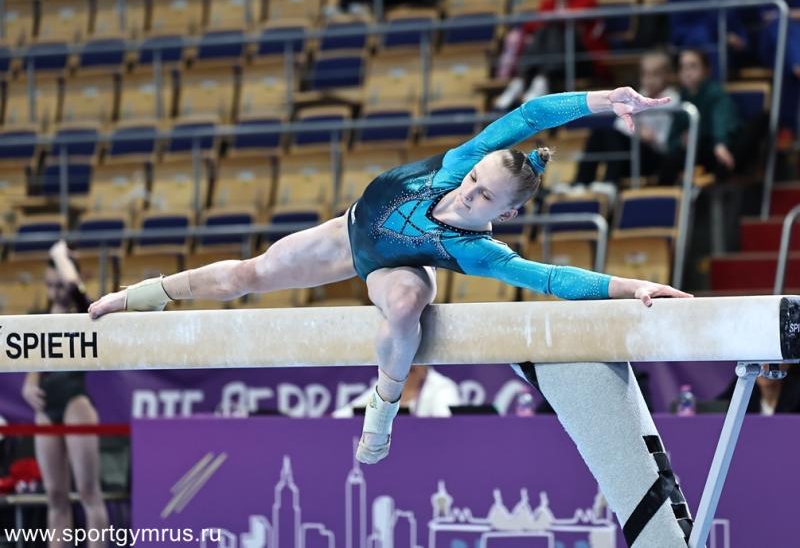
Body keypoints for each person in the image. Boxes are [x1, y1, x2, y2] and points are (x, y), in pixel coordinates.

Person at [89, 87, 689, 464]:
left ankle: (383, 406)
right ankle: (147, 295)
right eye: (472, 181)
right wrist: (604, 100)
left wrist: (632, 287)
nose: (466, 194)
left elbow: (554, 279)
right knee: (246, 274)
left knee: (405, 307)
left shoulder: (479, 251)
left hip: (400, 267)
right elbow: (531, 113)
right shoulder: (458, 163)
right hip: (350, 234)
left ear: (505, 215)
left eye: (483, 199)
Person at [21, 241, 108, 548]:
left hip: (75, 403)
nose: (55, 291)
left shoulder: (84, 311)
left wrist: (60, 255)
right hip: (47, 408)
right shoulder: (39, 316)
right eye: (49, 285)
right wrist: (29, 383)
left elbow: (73, 285)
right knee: (56, 497)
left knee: (88, 492)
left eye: (59, 285)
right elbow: (34, 359)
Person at [494, 0, 607, 110]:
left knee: (556, 29)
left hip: (580, 59)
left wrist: (554, 17)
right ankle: (526, 80)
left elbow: (570, 18)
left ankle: (536, 79)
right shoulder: (548, 2)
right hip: (555, 61)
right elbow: (531, 26)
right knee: (544, 31)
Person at [574, 50, 680, 189]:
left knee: (614, 137)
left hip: (656, 159)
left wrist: (640, 131)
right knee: (599, 133)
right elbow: (619, 124)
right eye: (645, 74)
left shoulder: (671, 100)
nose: (649, 80)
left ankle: (610, 183)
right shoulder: (638, 95)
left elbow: (658, 140)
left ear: (668, 76)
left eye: (655, 74)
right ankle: (581, 183)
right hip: (633, 152)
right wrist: (639, 130)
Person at [658, 48, 741, 184]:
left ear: (706, 70)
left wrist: (720, 143)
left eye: (693, 66)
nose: (687, 72)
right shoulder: (681, 98)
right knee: (668, 163)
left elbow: (720, 120)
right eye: (683, 68)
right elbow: (672, 140)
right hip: (694, 152)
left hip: (715, 149)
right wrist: (681, 141)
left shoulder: (715, 93)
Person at [760, 0, 800, 132]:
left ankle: (786, 130)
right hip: (777, 40)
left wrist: (790, 13)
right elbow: (767, 13)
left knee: (784, 62)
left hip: (785, 52)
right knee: (781, 26)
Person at [333, 365, 460, 417]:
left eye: (413, 367)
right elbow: (341, 416)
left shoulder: (442, 387)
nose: (410, 364)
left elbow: (447, 423)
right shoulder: (386, 385)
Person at [717, 364, 800, 414]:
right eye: (758, 357)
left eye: (771, 357)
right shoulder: (742, 385)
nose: (763, 365)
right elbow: (715, 410)